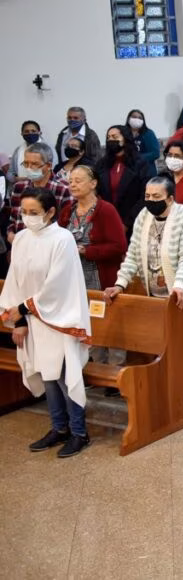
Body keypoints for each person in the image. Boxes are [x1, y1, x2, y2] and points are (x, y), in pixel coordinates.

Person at [0, 187, 93, 458]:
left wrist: (22, 309)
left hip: (60, 318)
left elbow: (57, 284)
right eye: (24, 212)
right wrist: (18, 321)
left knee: (65, 377)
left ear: (50, 212)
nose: (28, 218)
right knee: (47, 376)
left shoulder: (62, 239)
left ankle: (79, 432)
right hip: (33, 319)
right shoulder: (21, 240)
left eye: (34, 213)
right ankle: (59, 428)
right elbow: (16, 279)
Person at [106, 175, 183, 402]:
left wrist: (180, 285)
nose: (151, 200)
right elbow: (132, 253)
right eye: (147, 196)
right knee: (162, 339)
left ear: (170, 198)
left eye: (156, 197)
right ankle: (167, 378)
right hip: (154, 291)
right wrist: (120, 283)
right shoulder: (144, 215)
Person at [59, 165, 127, 291]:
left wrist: (86, 251)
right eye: (70, 181)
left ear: (93, 183)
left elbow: (119, 246)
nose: (72, 185)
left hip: (99, 277)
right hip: (71, 276)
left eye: (78, 181)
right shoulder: (67, 211)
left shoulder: (106, 210)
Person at [4, 142, 73, 242]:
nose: (29, 168)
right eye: (26, 163)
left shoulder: (64, 189)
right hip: (21, 242)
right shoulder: (19, 187)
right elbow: (14, 218)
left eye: (35, 164)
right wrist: (10, 233)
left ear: (49, 165)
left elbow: (67, 223)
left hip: (50, 244)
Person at [95, 125, 147, 231]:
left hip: (132, 223)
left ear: (125, 139)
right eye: (108, 137)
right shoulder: (102, 164)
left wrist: (127, 223)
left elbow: (144, 196)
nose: (111, 140)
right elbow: (96, 191)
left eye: (115, 137)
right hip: (106, 220)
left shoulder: (140, 163)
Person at [124, 109, 161, 178]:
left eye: (140, 118)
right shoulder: (123, 134)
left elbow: (155, 153)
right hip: (129, 172)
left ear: (143, 121)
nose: (137, 119)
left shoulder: (148, 133)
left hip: (147, 172)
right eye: (134, 117)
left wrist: (136, 158)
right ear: (128, 119)